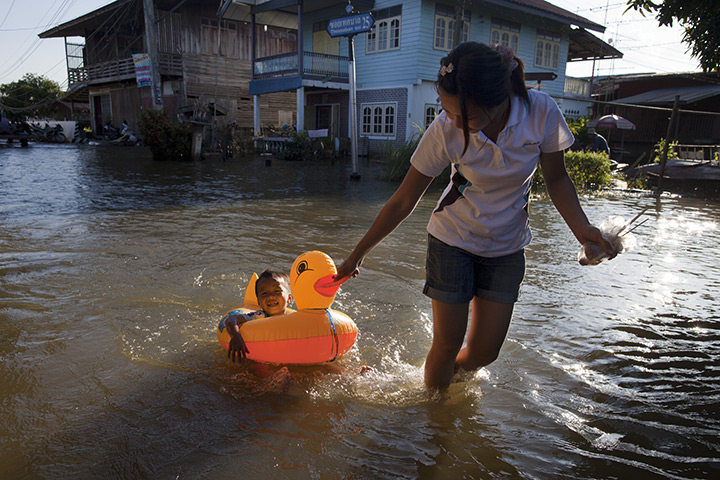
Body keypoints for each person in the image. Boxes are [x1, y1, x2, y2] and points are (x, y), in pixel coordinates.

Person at [335, 42, 616, 390]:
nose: (452, 121)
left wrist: (583, 230)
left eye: (463, 115)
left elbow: (556, 179)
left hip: (507, 247)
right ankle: (434, 424)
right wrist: (356, 255)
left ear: (498, 102)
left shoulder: (540, 111)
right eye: (446, 111)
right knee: (447, 343)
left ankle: (440, 384)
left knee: (485, 352)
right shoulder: (446, 129)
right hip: (452, 240)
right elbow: (404, 199)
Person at [225, 269, 293, 363]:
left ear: (289, 298)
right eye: (264, 293)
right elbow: (231, 320)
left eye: (277, 291)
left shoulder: (294, 319)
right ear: (258, 302)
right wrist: (235, 336)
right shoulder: (259, 316)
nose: (270, 296)